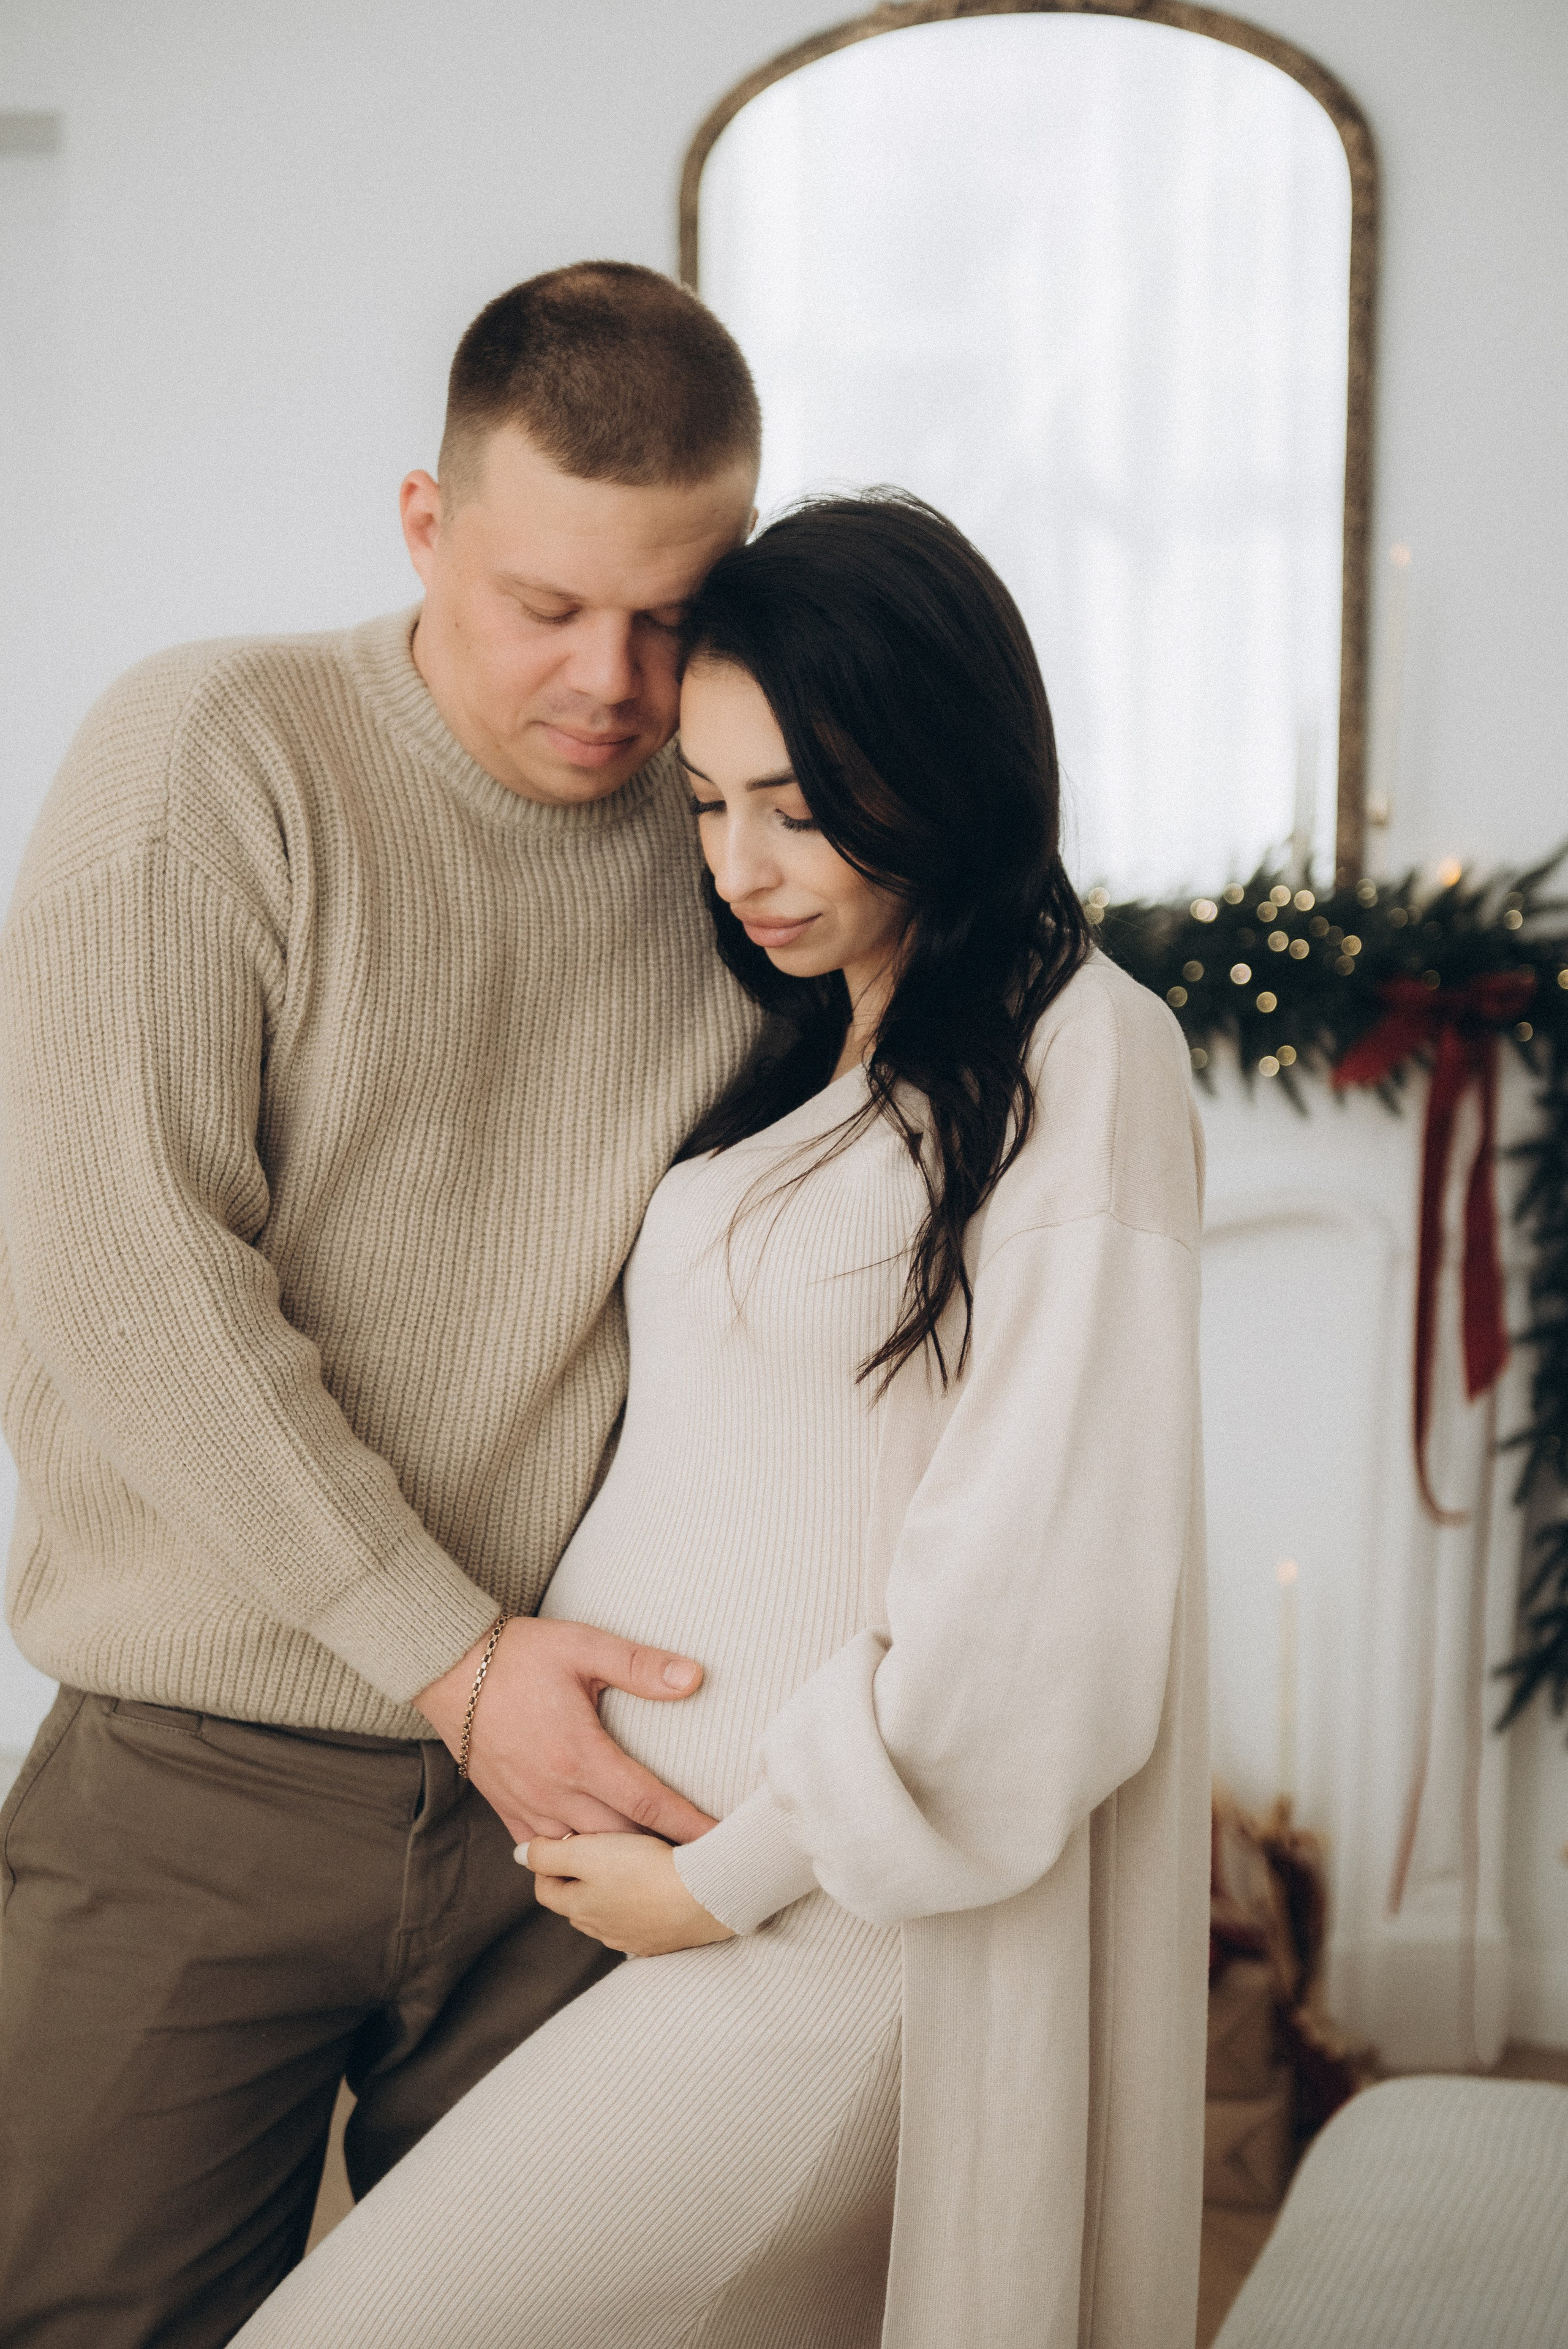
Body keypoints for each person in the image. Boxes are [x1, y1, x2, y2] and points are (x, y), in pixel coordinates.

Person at [233, 492, 1210, 2349]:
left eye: (800, 805)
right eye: (706, 802)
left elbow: (1043, 1607)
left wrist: (721, 1878)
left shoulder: (1086, 1049)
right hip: (665, 1908)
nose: (742, 863)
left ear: (943, 771)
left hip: (831, 1937)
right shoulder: (815, 1049)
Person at [0, 262, 771, 2347]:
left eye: (674, 612)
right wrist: (450, 1654)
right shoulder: (209, 752)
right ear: (427, 524)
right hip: (200, 1776)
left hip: (587, 1789)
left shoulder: (738, 831)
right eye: (547, 603)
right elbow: (123, 1268)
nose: (614, 681)